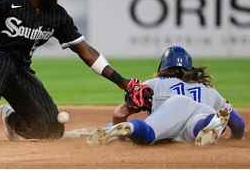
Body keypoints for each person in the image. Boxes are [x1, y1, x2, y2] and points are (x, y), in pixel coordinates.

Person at [0, 0, 135, 146]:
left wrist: (122, 82)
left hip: (20, 71)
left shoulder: (57, 15)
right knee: (3, 60)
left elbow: (86, 52)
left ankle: (12, 118)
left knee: (51, 129)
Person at [87, 46, 245, 146]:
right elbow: (238, 124)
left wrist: (117, 123)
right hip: (204, 111)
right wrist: (236, 139)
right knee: (195, 126)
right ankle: (208, 123)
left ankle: (133, 128)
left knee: (149, 133)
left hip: (176, 107)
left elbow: (120, 113)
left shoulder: (155, 83)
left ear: (163, 67)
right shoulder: (210, 90)